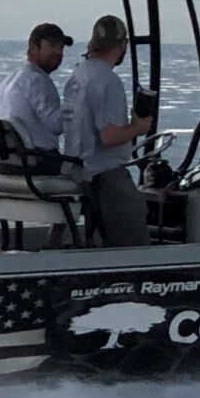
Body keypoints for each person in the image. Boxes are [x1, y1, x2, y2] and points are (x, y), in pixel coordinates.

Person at [59, 13, 156, 246]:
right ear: (122, 45)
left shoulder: (77, 74)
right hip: (104, 175)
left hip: (76, 169)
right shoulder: (109, 82)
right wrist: (138, 127)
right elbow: (109, 137)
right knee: (135, 226)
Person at [0, 22, 71, 161]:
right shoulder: (38, 81)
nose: (58, 53)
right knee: (90, 172)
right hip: (34, 163)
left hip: (6, 164)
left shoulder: (8, 82)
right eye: (52, 46)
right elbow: (56, 125)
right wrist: (78, 105)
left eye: (61, 47)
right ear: (32, 48)